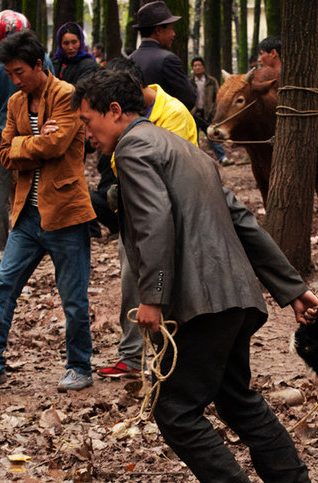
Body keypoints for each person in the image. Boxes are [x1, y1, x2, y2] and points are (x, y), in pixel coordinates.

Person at [73, 68, 318, 483]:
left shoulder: (132, 148)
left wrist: (152, 297)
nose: (87, 134)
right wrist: (293, 289)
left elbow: (154, 223)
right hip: (235, 295)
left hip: (202, 300)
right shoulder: (186, 148)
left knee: (174, 410)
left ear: (114, 111)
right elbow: (243, 220)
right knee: (235, 397)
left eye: (89, 121)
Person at [0, 29, 96, 395]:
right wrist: (30, 142)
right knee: (4, 285)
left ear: (39, 65)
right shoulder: (18, 103)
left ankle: (79, 366)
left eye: (19, 72)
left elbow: (57, 143)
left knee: (73, 296)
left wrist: (25, 143)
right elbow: (4, 152)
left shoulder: (67, 96)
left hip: (66, 213)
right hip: (26, 215)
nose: (15, 80)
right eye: (9, 74)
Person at [95, 57, 198, 379]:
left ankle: (169, 355)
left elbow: (164, 189)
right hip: (136, 209)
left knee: (161, 281)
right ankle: (133, 355)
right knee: (132, 276)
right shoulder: (126, 119)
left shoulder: (173, 115)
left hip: (170, 216)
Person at [0, 10, 54, 262]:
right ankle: (42, 239)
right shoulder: (44, 59)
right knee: (39, 187)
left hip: (1, 138)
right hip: (35, 135)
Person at [128, 0, 196, 110]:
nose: (174, 34)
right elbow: (189, 98)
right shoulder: (168, 59)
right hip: (164, 124)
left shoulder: (130, 58)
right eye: (171, 28)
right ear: (158, 30)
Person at [189, 56, 232, 166]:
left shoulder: (211, 81)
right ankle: (195, 161)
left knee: (213, 136)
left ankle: (223, 158)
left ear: (203, 67)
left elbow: (218, 96)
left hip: (208, 113)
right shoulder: (189, 82)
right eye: (195, 66)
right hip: (193, 114)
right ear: (192, 68)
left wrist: (213, 110)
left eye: (199, 65)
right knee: (193, 137)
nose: (197, 67)